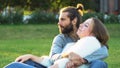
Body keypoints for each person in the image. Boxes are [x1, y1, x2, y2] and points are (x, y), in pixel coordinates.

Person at [4, 4, 109, 68]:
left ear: (74, 21)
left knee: (99, 63)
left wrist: (81, 60)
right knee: (25, 62)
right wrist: (68, 56)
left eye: (63, 20)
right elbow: (53, 58)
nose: (59, 23)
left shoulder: (89, 41)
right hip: (55, 65)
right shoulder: (60, 39)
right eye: (59, 20)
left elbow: (104, 50)